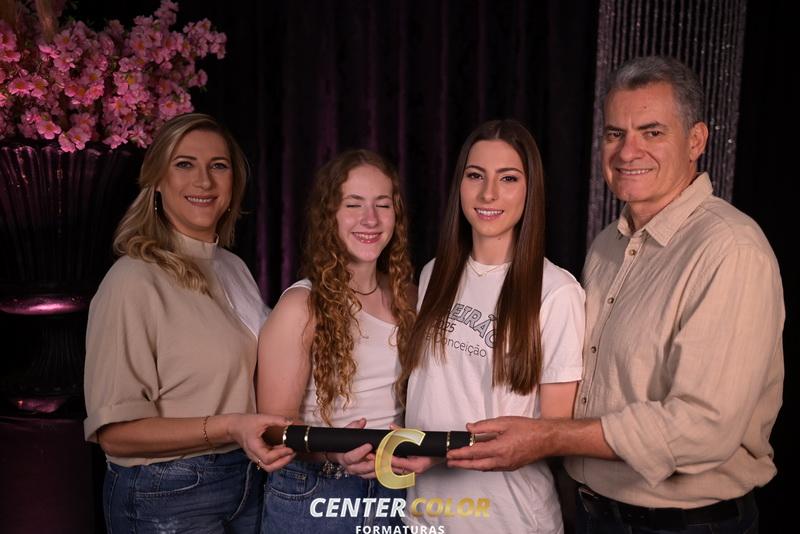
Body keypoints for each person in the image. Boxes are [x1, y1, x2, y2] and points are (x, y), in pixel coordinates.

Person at [447, 56, 784, 534]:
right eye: (614, 134)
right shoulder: (608, 245)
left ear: (696, 141)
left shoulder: (729, 250)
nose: (628, 151)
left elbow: (704, 427)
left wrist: (548, 438)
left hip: (683, 526)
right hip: (594, 515)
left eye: (652, 132)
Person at [83, 113, 295, 534]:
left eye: (219, 166)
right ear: (157, 180)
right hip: (167, 491)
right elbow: (115, 434)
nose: (204, 180)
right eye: (184, 164)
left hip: (247, 478)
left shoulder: (233, 268)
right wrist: (230, 425)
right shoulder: (132, 280)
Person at [398, 119, 585, 533]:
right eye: (476, 176)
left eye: (509, 178)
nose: (488, 193)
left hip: (507, 519)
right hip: (425, 515)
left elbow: (553, 435)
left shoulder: (557, 291)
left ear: (530, 190)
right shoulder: (433, 274)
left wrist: (443, 452)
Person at [257, 149, 416, 533]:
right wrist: (335, 452)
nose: (370, 219)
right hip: (317, 489)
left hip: (396, 487)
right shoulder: (302, 305)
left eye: (383, 205)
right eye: (353, 204)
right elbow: (273, 428)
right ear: (329, 215)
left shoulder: (409, 297)